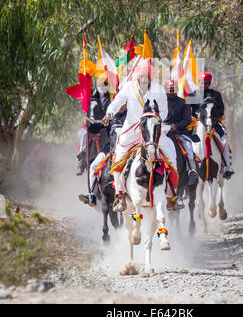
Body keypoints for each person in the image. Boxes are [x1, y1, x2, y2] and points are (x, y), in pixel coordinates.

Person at [101, 58, 184, 212]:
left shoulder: (159, 89)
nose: (144, 79)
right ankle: (120, 196)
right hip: (131, 131)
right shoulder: (128, 88)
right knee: (118, 156)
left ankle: (173, 195)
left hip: (152, 130)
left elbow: (164, 112)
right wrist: (109, 114)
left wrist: (153, 118)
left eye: (147, 76)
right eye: (142, 76)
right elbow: (116, 102)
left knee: (171, 150)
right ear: (137, 76)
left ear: (151, 76)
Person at [78, 104, 127, 207]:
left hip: (128, 149)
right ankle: (92, 196)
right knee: (93, 166)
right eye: (120, 103)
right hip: (110, 149)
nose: (121, 106)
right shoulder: (110, 117)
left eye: (124, 103)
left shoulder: (132, 115)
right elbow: (96, 128)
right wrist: (89, 125)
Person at [197, 72, 234, 179]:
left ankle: (227, 167)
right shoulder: (194, 94)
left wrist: (212, 116)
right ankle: (190, 169)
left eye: (206, 83)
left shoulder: (216, 95)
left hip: (214, 123)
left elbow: (221, 110)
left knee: (224, 141)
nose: (204, 85)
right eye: (202, 82)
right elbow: (190, 110)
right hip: (198, 123)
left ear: (209, 83)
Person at [164, 80, 199, 186]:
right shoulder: (161, 102)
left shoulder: (183, 102)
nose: (171, 92)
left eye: (173, 90)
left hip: (180, 131)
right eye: (169, 90)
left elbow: (187, 119)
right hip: (164, 131)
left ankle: (192, 169)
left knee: (188, 146)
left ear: (177, 90)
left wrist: (176, 126)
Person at [76, 76, 112, 176]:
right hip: (95, 124)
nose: (103, 86)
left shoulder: (112, 98)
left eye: (105, 84)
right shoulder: (93, 98)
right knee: (84, 134)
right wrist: (88, 122)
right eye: (101, 84)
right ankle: (82, 157)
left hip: (108, 124)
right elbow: (89, 113)